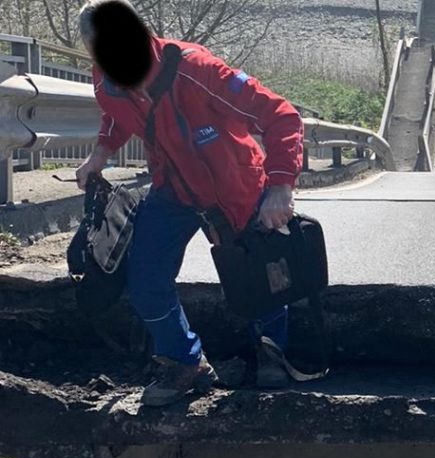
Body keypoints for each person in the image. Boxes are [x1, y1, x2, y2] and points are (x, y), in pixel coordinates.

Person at [74, 0, 305, 406]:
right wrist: (101, 153)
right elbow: (115, 113)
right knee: (145, 279)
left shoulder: (197, 71)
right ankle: (185, 360)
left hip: (235, 187)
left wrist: (281, 186)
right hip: (173, 189)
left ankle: (272, 350)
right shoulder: (105, 80)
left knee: (258, 276)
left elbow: (282, 116)